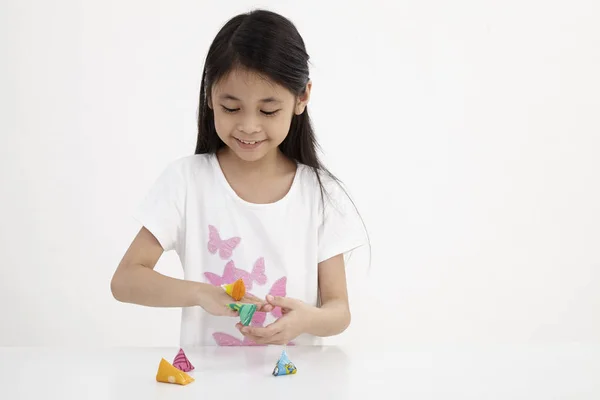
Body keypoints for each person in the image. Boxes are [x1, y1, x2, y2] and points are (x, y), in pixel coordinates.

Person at [110, 9, 369, 347]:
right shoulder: (186, 182)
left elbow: (339, 311)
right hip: (206, 384)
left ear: (301, 97)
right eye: (231, 108)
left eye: (268, 110)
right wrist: (202, 294)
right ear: (209, 96)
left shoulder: (319, 194)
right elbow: (125, 280)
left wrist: (308, 319)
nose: (248, 126)